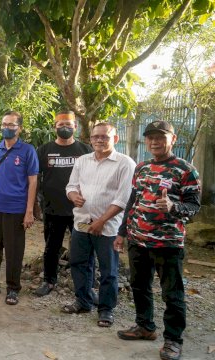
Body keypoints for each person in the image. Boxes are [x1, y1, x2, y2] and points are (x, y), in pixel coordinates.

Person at [114, 120, 201, 360]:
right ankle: (145, 327)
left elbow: (194, 206)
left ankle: (173, 340)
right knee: (139, 286)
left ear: (173, 139)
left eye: (161, 137)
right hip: (137, 239)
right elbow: (133, 202)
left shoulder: (185, 170)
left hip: (168, 243)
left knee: (172, 294)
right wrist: (122, 233)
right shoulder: (141, 167)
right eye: (150, 137)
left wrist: (174, 206)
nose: (154, 142)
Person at [61, 122, 135, 328]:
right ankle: (83, 302)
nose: (100, 140)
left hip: (108, 227)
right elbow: (71, 185)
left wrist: (102, 221)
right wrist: (73, 196)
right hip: (82, 224)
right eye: (96, 137)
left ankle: (106, 309)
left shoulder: (125, 163)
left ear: (115, 139)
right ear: (90, 139)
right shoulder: (83, 160)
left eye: (105, 136)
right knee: (79, 264)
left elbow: (123, 198)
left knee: (108, 269)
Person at [0, 111, 38, 306]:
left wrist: (29, 211)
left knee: (14, 251)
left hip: (16, 209)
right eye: (4, 124)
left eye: (11, 125)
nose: (7, 128)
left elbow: (33, 181)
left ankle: (13, 288)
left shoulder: (27, 150)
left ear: (19, 128)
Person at [33, 111, 92, 297]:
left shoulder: (85, 150)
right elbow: (35, 178)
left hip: (81, 210)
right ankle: (49, 281)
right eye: (60, 124)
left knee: (84, 248)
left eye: (68, 124)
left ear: (75, 126)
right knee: (51, 248)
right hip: (53, 209)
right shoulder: (43, 150)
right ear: (54, 127)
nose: (64, 127)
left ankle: (85, 285)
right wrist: (35, 204)